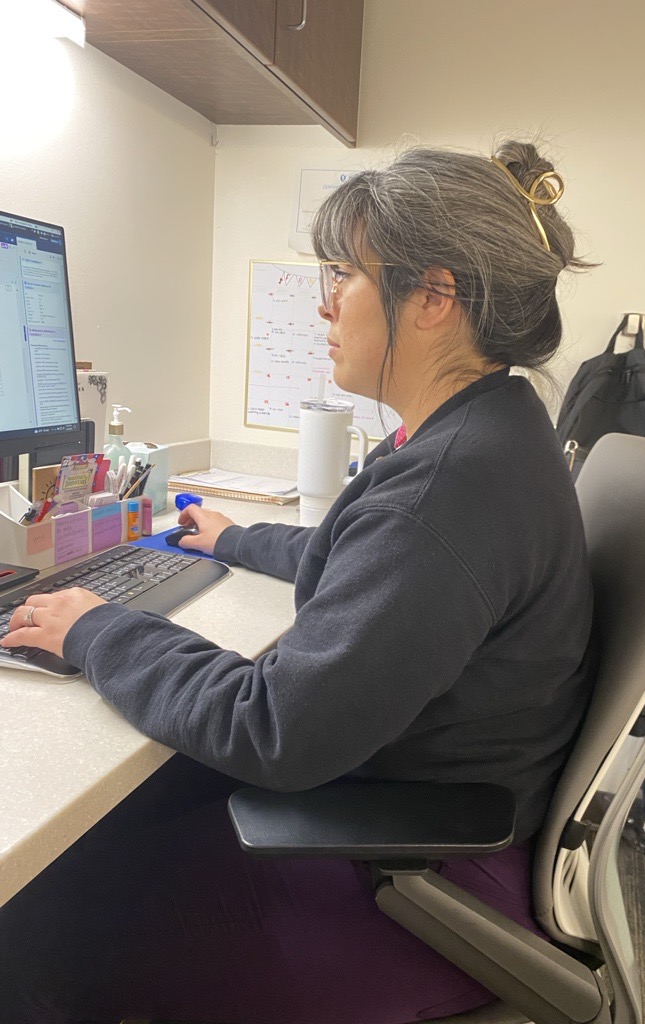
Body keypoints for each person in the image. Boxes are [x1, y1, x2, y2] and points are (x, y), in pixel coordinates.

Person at [0, 139, 597, 1024]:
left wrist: (96, 629)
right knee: (123, 824)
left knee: (29, 919)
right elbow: (364, 561)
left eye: (341, 276)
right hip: (414, 826)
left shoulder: (446, 492)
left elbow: (272, 728)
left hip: (416, 893)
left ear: (433, 297)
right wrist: (240, 538)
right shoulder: (489, 432)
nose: (323, 306)